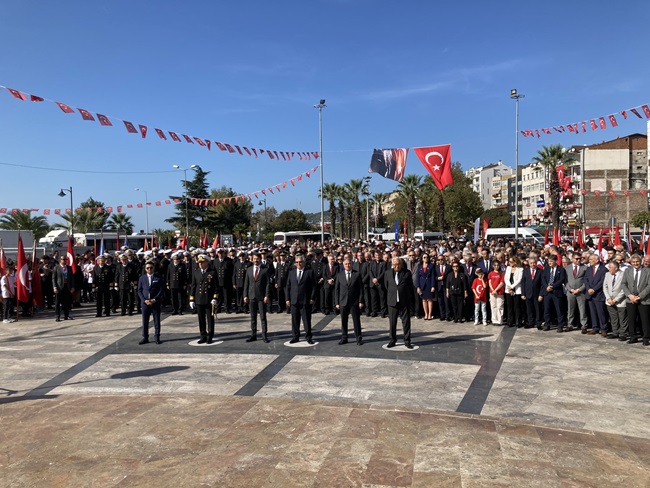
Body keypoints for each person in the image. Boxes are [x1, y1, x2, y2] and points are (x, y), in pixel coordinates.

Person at [383, 256, 415, 348]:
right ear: (392, 265)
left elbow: (410, 286)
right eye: (394, 265)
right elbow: (386, 286)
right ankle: (392, 339)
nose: (396, 266)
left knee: (406, 322)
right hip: (392, 301)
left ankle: (407, 340)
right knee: (392, 322)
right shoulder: (388, 273)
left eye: (398, 264)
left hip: (404, 301)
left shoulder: (407, 273)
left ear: (401, 264)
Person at [285, 254, 316, 344]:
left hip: (305, 300)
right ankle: (295, 336)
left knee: (306, 320)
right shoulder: (291, 273)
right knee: (295, 320)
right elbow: (288, 286)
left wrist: (312, 298)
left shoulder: (309, 272)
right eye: (297, 262)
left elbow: (314, 287)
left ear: (304, 262)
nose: (299, 264)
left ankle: (308, 337)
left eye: (300, 262)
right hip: (294, 300)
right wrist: (287, 299)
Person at [335, 256, 365, 345]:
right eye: (346, 264)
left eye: (349, 264)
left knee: (356, 321)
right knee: (344, 321)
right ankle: (344, 337)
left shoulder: (357, 274)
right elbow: (337, 290)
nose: (347, 265)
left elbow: (361, 289)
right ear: (343, 265)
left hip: (354, 302)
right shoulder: (339, 275)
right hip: (343, 301)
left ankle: (358, 338)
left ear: (352, 264)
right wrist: (337, 302)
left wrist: (361, 301)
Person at [621, 254, 650, 345]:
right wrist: (630, 295)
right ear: (631, 262)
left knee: (645, 320)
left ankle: (646, 338)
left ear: (641, 261)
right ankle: (633, 337)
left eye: (637, 261)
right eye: (633, 262)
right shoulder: (627, 271)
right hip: (631, 299)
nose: (635, 263)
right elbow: (623, 284)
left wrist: (640, 296)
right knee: (631, 319)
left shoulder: (647, 271)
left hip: (643, 299)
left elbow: (649, 285)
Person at [243, 252, 272, 343]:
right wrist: (245, 295)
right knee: (253, 317)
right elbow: (246, 283)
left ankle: (264, 335)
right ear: (252, 259)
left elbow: (268, 284)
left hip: (261, 297)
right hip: (251, 296)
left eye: (257, 259)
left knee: (263, 317)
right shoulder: (249, 270)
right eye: (254, 259)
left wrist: (267, 295)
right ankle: (253, 335)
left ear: (260, 259)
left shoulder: (265, 270)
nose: (256, 260)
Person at [189, 255, 218, 344]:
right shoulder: (196, 272)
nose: (200, 264)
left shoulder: (212, 272)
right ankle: (203, 335)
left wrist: (215, 298)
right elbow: (193, 286)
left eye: (202, 263)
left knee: (210, 319)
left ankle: (210, 336)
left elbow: (216, 287)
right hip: (199, 298)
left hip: (208, 299)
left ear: (207, 263)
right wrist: (191, 299)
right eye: (199, 263)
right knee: (201, 319)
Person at [137, 260, 164, 345]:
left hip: (155, 302)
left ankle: (157, 337)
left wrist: (154, 299)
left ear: (153, 268)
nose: (149, 269)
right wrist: (144, 300)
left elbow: (161, 290)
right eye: (147, 268)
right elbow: (139, 290)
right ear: (145, 269)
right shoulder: (142, 278)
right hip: (145, 303)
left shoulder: (158, 278)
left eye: (151, 268)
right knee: (145, 321)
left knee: (156, 320)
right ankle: (145, 337)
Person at [540, 254, 567, 332]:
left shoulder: (561, 269)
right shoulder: (546, 269)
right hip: (547, 292)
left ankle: (560, 325)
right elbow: (543, 278)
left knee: (559, 309)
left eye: (551, 261)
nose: (550, 263)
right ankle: (547, 324)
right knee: (547, 309)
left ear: (555, 261)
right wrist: (546, 286)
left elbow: (561, 280)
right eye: (549, 261)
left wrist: (552, 286)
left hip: (556, 292)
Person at [583, 253, 608, 337]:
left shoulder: (603, 269)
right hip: (590, 294)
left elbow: (602, 281)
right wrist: (588, 288)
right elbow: (586, 279)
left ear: (596, 260)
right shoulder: (589, 269)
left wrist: (594, 289)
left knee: (601, 312)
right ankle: (595, 327)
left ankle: (603, 329)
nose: (589, 261)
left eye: (591, 259)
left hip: (598, 294)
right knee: (593, 312)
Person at [603, 260, 628, 340]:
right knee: (613, 318)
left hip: (621, 301)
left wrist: (616, 299)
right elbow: (605, 287)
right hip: (609, 300)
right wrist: (608, 298)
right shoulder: (607, 274)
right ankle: (615, 332)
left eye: (610, 267)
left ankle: (623, 333)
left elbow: (624, 289)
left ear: (616, 268)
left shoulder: (623, 275)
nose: (609, 269)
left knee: (622, 318)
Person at [565, 252, 588, 332]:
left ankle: (584, 325)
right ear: (572, 259)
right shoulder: (567, 268)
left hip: (580, 292)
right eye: (577, 259)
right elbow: (565, 281)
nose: (578, 260)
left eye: (580, 259)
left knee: (582, 309)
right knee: (570, 309)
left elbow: (586, 280)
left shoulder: (584, 268)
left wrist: (580, 289)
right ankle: (569, 324)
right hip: (570, 292)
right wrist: (570, 289)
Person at [521, 257, 542, 329]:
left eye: (534, 263)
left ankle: (538, 323)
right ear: (529, 264)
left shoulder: (540, 271)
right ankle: (530, 322)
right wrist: (523, 293)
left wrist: (541, 294)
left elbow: (542, 284)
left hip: (537, 294)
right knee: (529, 309)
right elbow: (523, 283)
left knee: (538, 309)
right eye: (531, 263)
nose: (533, 264)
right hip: (528, 293)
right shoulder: (526, 271)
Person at [52, 255, 75, 322]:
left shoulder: (69, 268)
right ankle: (57, 316)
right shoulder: (56, 268)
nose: (65, 261)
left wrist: (72, 287)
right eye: (63, 259)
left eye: (66, 260)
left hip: (67, 287)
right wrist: (55, 287)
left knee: (66, 302)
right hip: (59, 287)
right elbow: (54, 279)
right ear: (60, 260)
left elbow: (72, 278)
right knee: (58, 302)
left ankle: (66, 315)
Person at [504, 256, 523, 328]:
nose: (510, 263)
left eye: (511, 262)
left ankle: (518, 321)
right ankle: (510, 321)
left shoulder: (520, 269)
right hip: (508, 290)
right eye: (509, 262)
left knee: (517, 307)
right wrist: (509, 286)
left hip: (517, 290)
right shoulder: (508, 268)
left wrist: (512, 286)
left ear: (515, 262)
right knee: (509, 306)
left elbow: (519, 280)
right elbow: (506, 278)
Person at [417, 253, 435, 320]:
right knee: (424, 300)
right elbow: (418, 277)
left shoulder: (431, 266)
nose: (426, 259)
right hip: (422, 284)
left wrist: (433, 286)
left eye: (427, 257)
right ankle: (426, 314)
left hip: (429, 284)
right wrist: (418, 286)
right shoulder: (419, 266)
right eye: (424, 257)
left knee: (429, 299)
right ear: (422, 259)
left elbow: (433, 276)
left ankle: (430, 314)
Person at [487, 260, 505, 326]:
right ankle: (494, 320)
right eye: (495, 265)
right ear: (493, 266)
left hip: (500, 292)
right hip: (492, 292)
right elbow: (489, 282)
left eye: (497, 265)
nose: (496, 266)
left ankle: (499, 320)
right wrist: (493, 290)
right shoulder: (490, 273)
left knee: (500, 306)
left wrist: (496, 290)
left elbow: (502, 282)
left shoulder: (502, 273)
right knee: (493, 306)